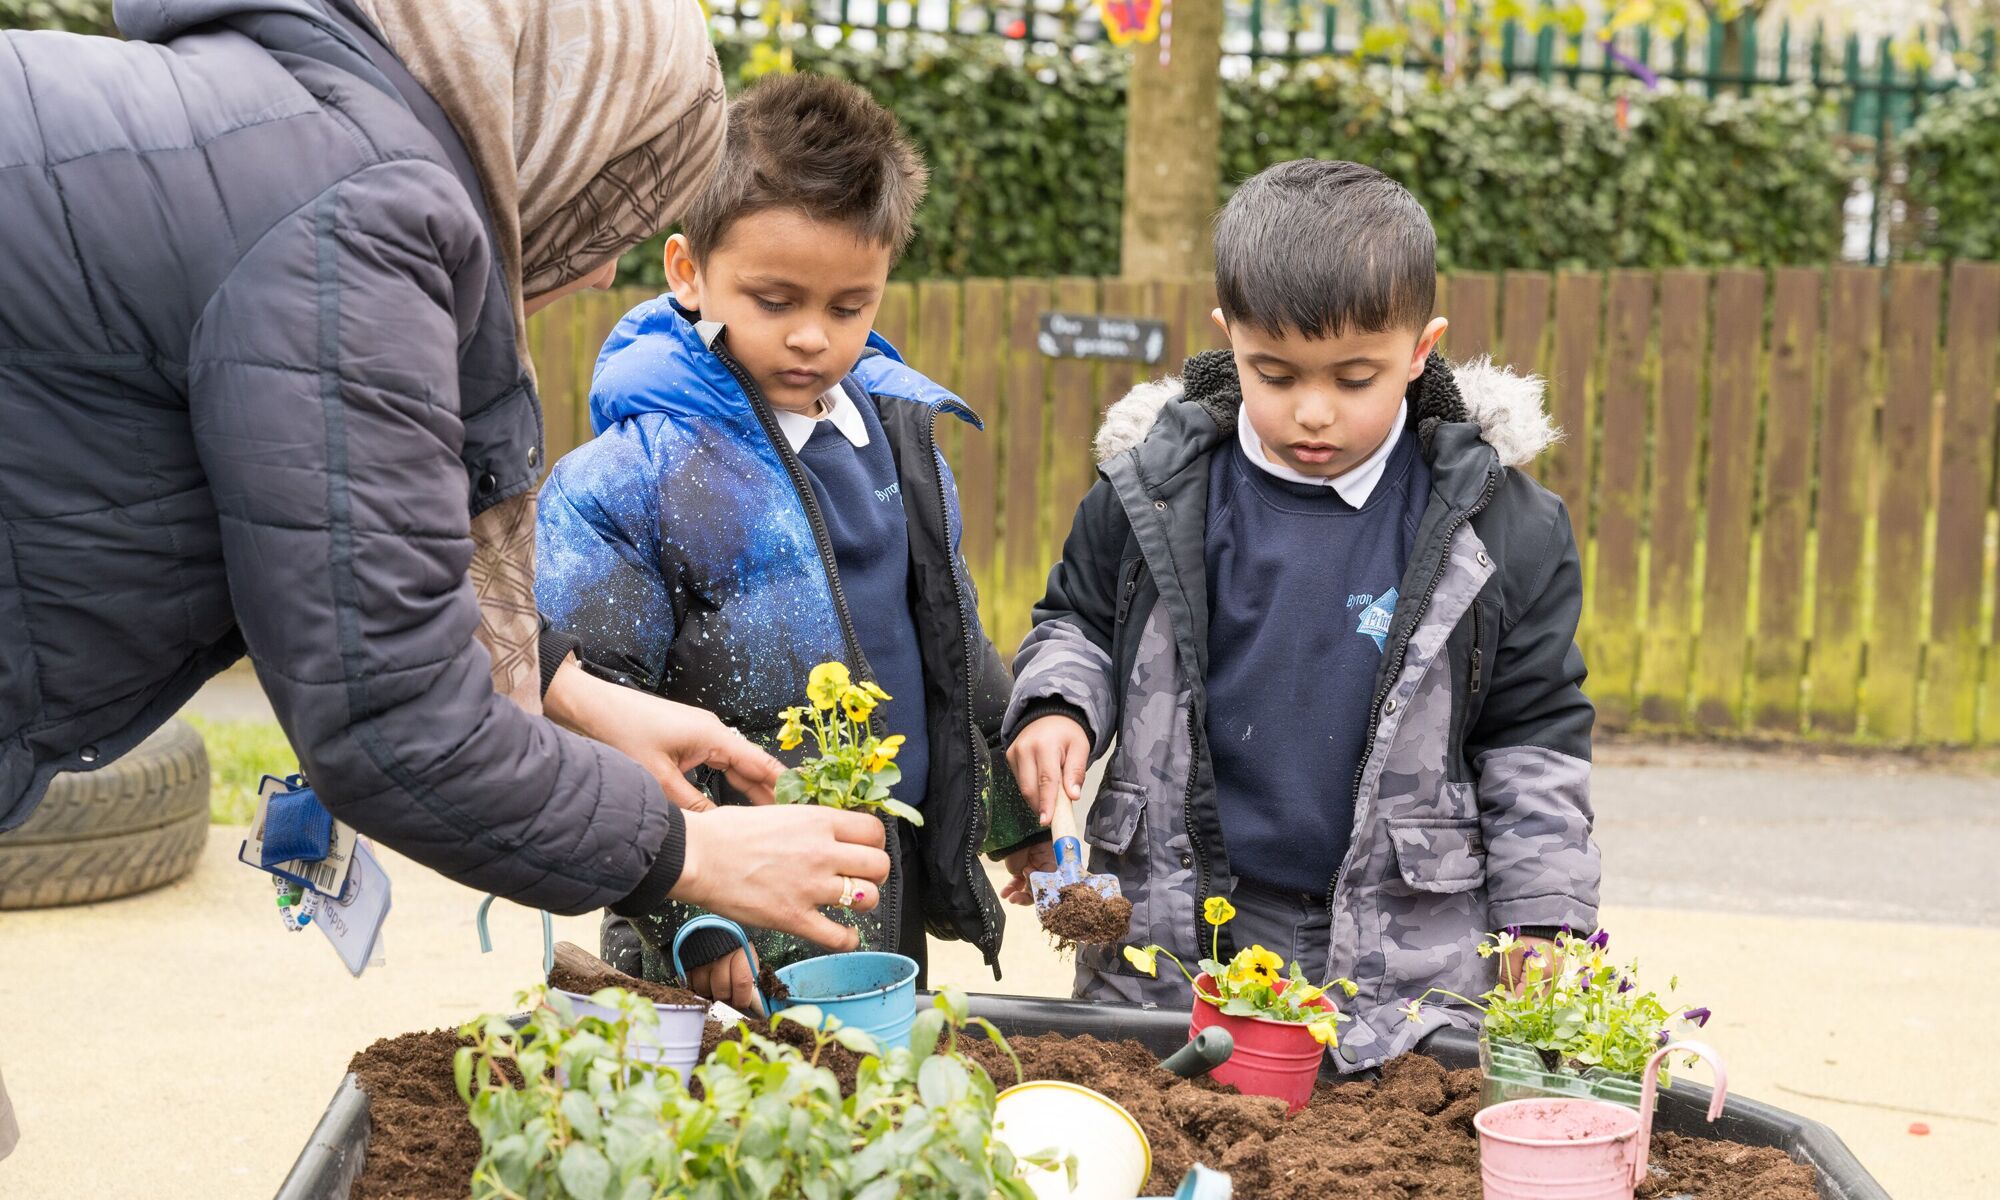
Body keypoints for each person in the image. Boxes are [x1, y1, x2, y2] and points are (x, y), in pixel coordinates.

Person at [0, 0, 889, 952]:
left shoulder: (290, 128)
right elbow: (394, 716)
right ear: (558, 134)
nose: (597, 275)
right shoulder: (361, 212)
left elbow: (350, 557)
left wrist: (563, 688)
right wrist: (693, 854)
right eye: (610, 210)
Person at [1002, 160, 1600, 1071]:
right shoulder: (1150, 491)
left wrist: (1544, 919)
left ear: (1421, 348)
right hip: (1169, 949)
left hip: (1401, 972)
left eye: (1355, 378)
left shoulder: (1503, 526)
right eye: (1272, 373)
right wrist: (1056, 706)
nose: (1312, 413)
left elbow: (1534, 736)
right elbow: (1079, 622)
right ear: (1226, 337)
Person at [535, 74, 1045, 1010]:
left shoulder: (901, 442)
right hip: (715, 915)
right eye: (774, 300)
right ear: (688, 271)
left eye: (850, 307)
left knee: (867, 1118)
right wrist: (687, 914)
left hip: (874, 890)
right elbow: (597, 717)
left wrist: (1013, 814)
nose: (813, 337)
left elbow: (951, 648)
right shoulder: (630, 480)